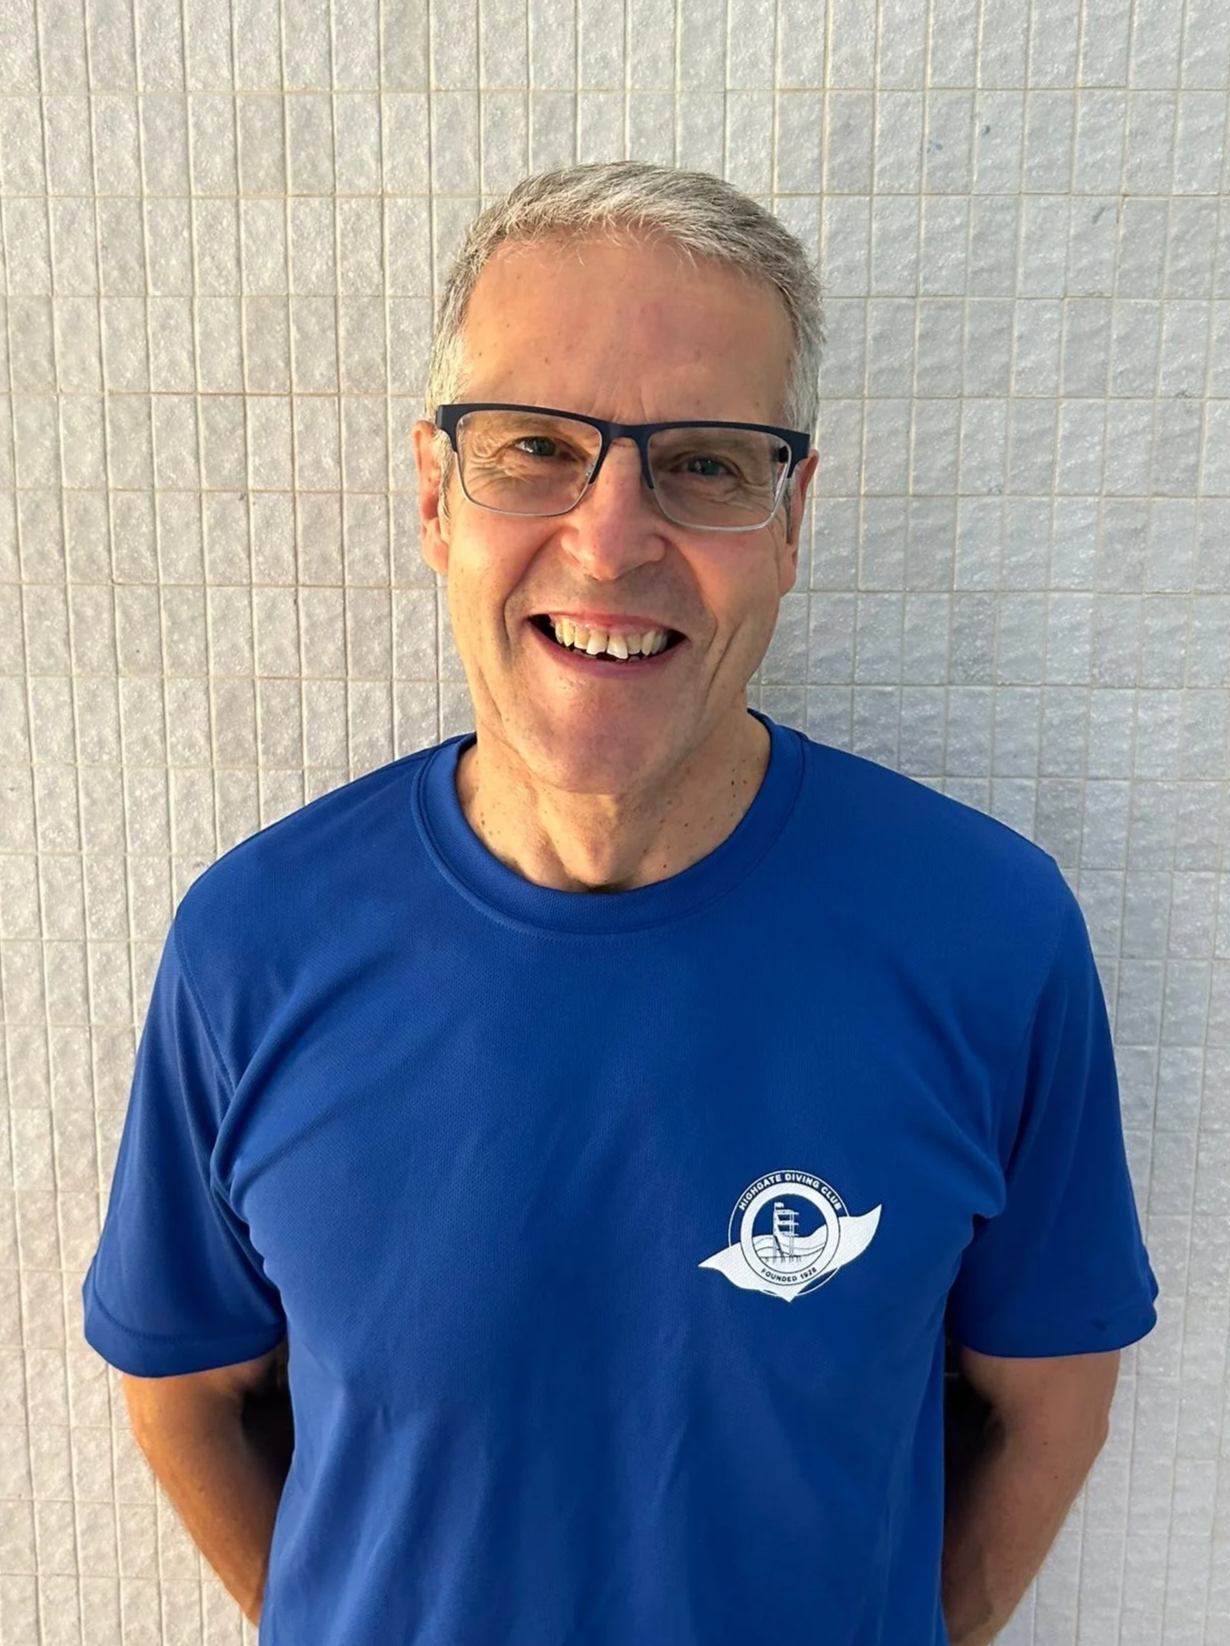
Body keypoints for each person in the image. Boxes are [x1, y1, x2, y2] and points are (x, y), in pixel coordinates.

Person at [82, 161, 1157, 1646]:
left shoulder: (989, 935)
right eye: (535, 446)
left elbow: (1051, 1399)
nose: (609, 535)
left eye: (706, 462)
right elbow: (180, 1390)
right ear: (431, 495)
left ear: (790, 521)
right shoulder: (253, 944)